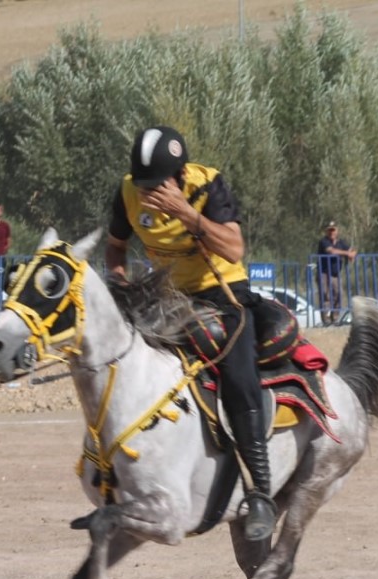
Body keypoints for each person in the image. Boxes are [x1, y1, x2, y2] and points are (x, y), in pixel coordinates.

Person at [104, 125, 277, 542]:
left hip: (222, 296)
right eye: (143, 184)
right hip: (164, 298)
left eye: (157, 184)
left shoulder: (207, 185)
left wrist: (186, 213)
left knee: (238, 378)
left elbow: (234, 248)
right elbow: (115, 245)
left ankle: (260, 494)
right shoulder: (128, 191)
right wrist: (120, 284)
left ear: (179, 177)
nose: (148, 192)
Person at [316, 222, 357, 326]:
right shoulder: (323, 241)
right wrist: (347, 254)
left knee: (339, 294)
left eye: (333, 230)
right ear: (326, 231)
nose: (331, 232)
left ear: (337, 231)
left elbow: (352, 250)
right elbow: (331, 251)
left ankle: (335, 318)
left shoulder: (341, 242)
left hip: (335, 273)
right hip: (324, 272)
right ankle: (326, 320)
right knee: (325, 295)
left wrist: (352, 254)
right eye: (329, 230)